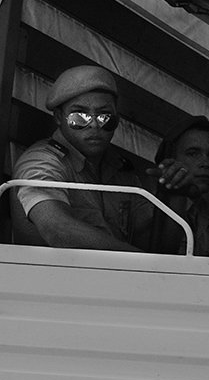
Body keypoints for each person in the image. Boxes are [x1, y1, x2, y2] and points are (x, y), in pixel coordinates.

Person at [9, 64, 191, 250]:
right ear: (58, 117)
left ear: (117, 120)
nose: (94, 125)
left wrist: (174, 194)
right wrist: (141, 265)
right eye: (79, 117)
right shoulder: (42, 162)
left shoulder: (121, 173)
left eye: (105, 117)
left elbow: (158, 250)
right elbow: (58, 231)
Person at [136, 116, 209, 257]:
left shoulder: (205, 215)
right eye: (193, 154)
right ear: (170, 160)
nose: (206, 163)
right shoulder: (146, 206)